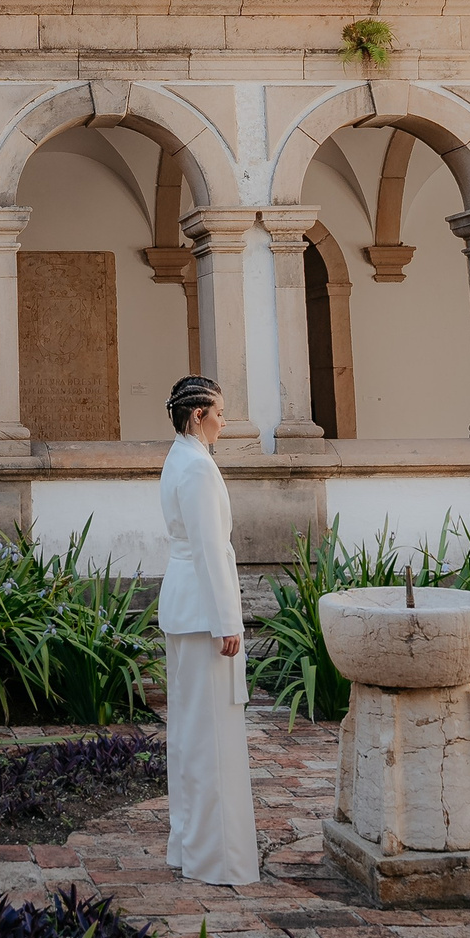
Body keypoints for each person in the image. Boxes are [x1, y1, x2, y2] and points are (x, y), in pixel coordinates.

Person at [157, 374, 256, 885]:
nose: (225, 421)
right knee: (209, 736)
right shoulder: (196, 467)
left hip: (187, 609)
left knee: (193, 733)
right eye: (219, 411)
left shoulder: (181, 459)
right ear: (198, 414)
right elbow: (210, 551)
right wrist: (227, 622)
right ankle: (214, 858)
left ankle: (189, 846)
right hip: (201, 614)